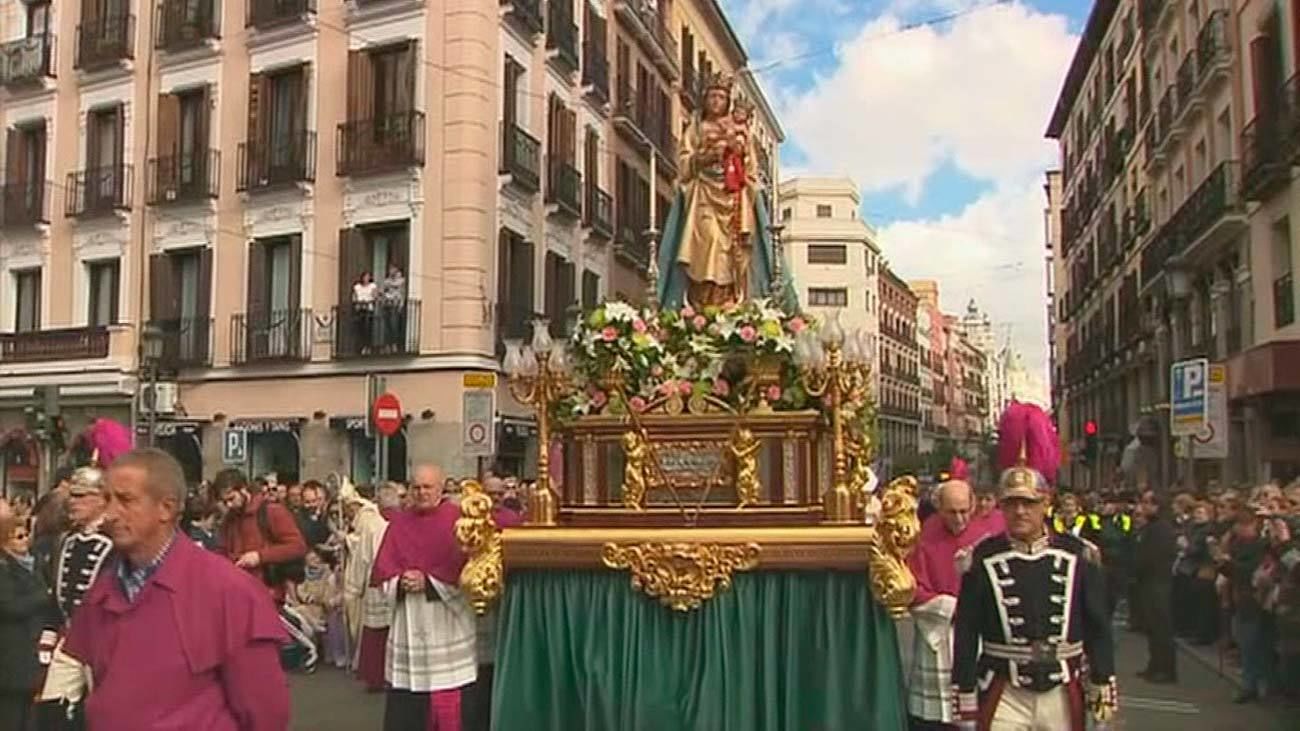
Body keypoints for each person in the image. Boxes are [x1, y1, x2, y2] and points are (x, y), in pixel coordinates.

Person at [61, 448, 291, 728]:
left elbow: (264, 711)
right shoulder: (102, 589)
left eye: (125, 500)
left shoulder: (229, 591)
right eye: (107, 499)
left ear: (166, 508)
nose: (109, 513)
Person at [952, 402, 1116, 731]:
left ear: (1046, 503)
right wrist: (965, 692)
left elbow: (1098, 625)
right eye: (1011, 503)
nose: (1020, 512)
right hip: (1003, 686)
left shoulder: (1078, 555)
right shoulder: (981, 558)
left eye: (1028, 503)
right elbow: (967, 630)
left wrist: (1102, 684)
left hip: (1061, 686)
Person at [371, 464, 476, 731]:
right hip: (409, 619)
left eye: (427, 487)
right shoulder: (399, 522)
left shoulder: (458, 520)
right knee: (407, 699)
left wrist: (428, 581)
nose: (421, 492)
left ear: (441, 489)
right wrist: (399, 581)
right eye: (416, 487)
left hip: (445, 620)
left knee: (448, 689)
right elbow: (383, 569)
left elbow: (467, 570)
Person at [906, 479, 1005, 730]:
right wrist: (952, 609)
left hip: (979, 636)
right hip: (940, 636)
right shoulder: (922, 537)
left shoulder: (987, 536)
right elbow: (911, 588)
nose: (960, 518)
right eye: (952, 512)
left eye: (964, 511)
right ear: (938, 508)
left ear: (972, 505)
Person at [36, 467, 114, 731]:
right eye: (72, 495)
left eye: (81, 496)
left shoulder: (116, 541)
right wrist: (48, 635)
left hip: (103, 641)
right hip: (70, 638)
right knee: (51, 709)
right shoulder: (66, 541)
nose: (73, 502)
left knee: (103, 714)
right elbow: (56, 592)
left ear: (101, 499)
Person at [0, 511, 58, 731]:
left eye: (26, 535)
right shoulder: (4, 568)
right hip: (10, 653)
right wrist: (46, 595)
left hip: (31, 649)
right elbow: (9, 605)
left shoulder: (35, 565)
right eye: (18, 537)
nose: (25, 541)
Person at [215, 468, 308, 605]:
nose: (229, 505)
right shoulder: (229, 519)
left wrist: (260, 556)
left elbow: (298, 546)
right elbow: (223, 550)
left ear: (243, 489)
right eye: (225, 502)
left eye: (231, 499)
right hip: (238, 593)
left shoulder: (271, 511)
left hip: (268, 594)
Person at [341, 480, 394, 692]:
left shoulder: (369, 521)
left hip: (374, 581)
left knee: (375, 632)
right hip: (382, 580)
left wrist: (352, 588)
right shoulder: (371, 520)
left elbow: (363, 553)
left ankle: (376, 676)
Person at [1133, 489, 1178, 683]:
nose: (1143, 507)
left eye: (1147, 503)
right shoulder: (1151, 527)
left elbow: (1154, 557)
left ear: (1157, 506)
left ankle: (1165, 669)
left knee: (1161, 628)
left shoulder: (1162, 529)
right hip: (1148, 583)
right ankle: (1154, 665)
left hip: (1158, 582)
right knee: (1152, 627)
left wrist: (1140, 568)